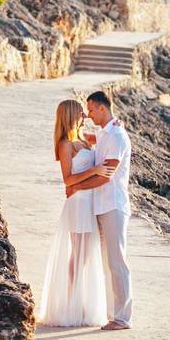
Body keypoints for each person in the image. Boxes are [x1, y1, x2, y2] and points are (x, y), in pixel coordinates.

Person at [37, 99, 117, 327]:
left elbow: (105, 136)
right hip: (77, 203)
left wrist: (116, 125)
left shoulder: (82, 140)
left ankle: (77, 300)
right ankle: (71, 302)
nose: (85, 117)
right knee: (78, 255)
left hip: (89, 201)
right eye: (81, 114)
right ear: (71, 116)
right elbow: (68, 179)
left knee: (86, 254)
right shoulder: (65, 144)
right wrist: (94, 170)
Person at [65, 91, 133, 331]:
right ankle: (111, 314)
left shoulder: (116, 136)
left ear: (102, 109)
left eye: (91, 110)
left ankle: (122, 318)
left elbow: (106, 176)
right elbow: (86, 141)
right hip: (100, 206)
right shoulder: (106, 133)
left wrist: (77, 186)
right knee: (106, 263)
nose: (89, 114)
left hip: (113, 205)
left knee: (116, 262)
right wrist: (78, 120)